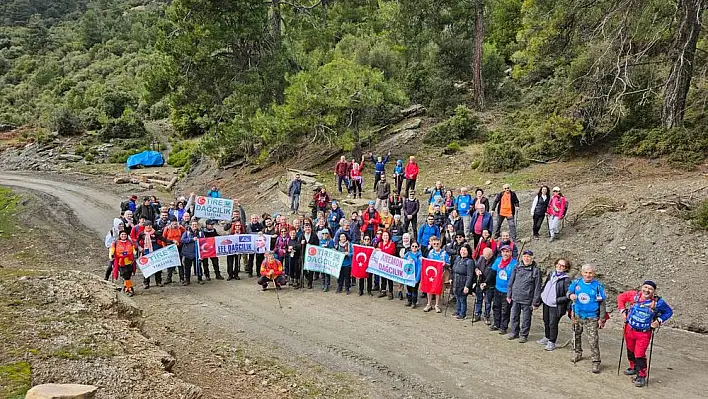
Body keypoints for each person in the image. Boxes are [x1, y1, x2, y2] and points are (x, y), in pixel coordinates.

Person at [617, 280, 673, 387]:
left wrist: (658, 321)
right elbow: (621, 298)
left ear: (654, 291)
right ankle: (633, 367)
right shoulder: (634, 296)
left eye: (650, 289)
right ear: (641, 287)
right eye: (645, 287)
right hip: (629, 329)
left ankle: (641, 376)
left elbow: (669, 312)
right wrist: (623, 311)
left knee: (639, 354)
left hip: (644, 333)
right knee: (630, 350)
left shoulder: (658, 302)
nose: (647, 290)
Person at [568, 263, 607, 374]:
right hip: (577, 314)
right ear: (582, 273)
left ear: (594, 274)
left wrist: (602, 318)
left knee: (593, 340)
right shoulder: (576, 283)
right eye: (586, 272)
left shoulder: (598, 286)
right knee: (576, 335)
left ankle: (596, 361)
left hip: (592, 317)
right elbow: (568, 292)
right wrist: (570, 295)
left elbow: (602, 303)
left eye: (590, 273)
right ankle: (577, 352)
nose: (588, 275)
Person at [506, 249, 542, 343]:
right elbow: (511, 281)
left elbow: (538, 288)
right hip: (515, 297)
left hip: (527, 299)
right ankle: (514, 332)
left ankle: (523, 335)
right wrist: (509, 294)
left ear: (532, 258)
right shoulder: (517, 266)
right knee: (514, 316)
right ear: (522, 257)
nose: (526, 258)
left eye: (528, 256)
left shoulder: (536, 271)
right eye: (525, 256)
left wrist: (535, 302)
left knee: (526, 319)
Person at [538, 258, 572, 351]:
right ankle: (547, 337)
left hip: (556, 306)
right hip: (546, 302)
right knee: (546, 320)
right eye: (558, 264)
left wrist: (556, 300)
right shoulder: (551, 274)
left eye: (563, 266)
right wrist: (542, 295)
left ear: (566, 268)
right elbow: (545, 286)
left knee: (553, 323)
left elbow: (568, 296)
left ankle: (552, 342)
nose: (560, 267)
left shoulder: (566, 280)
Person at [485, 245, 517, 334]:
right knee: (496, 307)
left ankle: (504, 326)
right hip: (497, 289)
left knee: (505, 310)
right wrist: (486, 282)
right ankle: (496, 323)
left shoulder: (515, 263)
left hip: (507, 291)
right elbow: (492, 272)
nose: (505, 254)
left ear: (510, 253)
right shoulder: (498, 260)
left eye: (507, 252)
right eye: (503, 252)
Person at [424, 236, 450, 313]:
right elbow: (428, 262)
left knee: (438, 290)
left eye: (437, 244)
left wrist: (445, 264)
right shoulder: (431, 252)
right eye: (434, 244)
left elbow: (449, 264)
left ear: (440, 244)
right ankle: (429, 304)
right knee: (429, 289)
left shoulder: (444, 253)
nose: (436, 245)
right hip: (431, 274)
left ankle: (437, 305)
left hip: (440, 274)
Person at [137, 222, 166, 289]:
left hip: (155, 252)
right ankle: (146, 283)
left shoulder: (155, 233)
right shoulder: (142, 234)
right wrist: (139, 247)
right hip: (146, 253)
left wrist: (172, 241)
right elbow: (136, 241)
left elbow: (163, 239)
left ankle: (158, 281)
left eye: (150, 225)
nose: (148, 226)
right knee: (147, 268)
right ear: (145, 226)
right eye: (147, 225)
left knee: (157, 267)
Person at [109, 231, 137, 297]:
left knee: (128, 275)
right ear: (120, 235)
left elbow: (133, 249)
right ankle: (130, 289)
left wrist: (134, 254)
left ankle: (125, 287)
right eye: (122, 234)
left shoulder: (130, 242)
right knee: (126, 276)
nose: (124, 236)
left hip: (129, 261)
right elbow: (112, 250)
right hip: (120, 262)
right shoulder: (115, 243)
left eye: (125, 234)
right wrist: (111, 256)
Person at [451, 245, 475, 320]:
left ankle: (463, 313)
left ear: (468, 252)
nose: (463, 252)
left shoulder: (470, 262)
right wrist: (451, 278)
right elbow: (453, 269)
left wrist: (467, 286)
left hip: (463, 282)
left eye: (465, 250)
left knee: (462, 299)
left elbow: (470, 275)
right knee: (457, 297)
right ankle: (458, 311)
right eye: (462, 250)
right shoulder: (458, 258)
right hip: (456, 280)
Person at [473, 247, 495, 324]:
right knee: (478, 299)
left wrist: (486, 283)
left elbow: (492, 274)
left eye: (487, 256)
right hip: (480, 281)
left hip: (489, 284)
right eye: (484, 256)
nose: (485, 258)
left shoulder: (494, 261)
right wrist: (477, 271)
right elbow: (476, 266)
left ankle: (487, 316)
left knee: (488, 301)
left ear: (491, 255)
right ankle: (477, 314)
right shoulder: (481, 258)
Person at [162, 217, 185, 284]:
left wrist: (182, 243)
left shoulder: (181, 228)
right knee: (170, 263)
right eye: (173, 221)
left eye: (175, 221)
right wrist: (164, 248)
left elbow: (185, 234)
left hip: (179, 247)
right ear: (170, 222)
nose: (174, 223)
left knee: (180, 263)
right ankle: (169, 278)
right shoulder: (167, 229)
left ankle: (182, 278)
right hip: (170, 248)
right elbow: (163, 239)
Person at [376, 231, 397, 299]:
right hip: (382, 264)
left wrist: (381, 251)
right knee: (383, 278)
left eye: (386, 235)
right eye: (384, 235)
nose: (385, 237)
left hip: (389, 264)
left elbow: (391, 252)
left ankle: (390, 292)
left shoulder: (392, 244)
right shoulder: (380, 243)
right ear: (382, 237)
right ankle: (383, 290)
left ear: (389, 236)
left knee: (389, 278)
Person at [180, 220, 202, 285]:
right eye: (193, 225)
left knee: (198, 267)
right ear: (190, 225)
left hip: (197, 253)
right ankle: (187, 280)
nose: (194, 226)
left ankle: (200, 279)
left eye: (195, 224)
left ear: (198, 225)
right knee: (187, 268)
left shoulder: (201, 233)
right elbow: (182, 240)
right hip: (188, 254)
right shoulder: (187, 233)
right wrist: (191, 239)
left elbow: (204, 241)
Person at [403, 241, 423, 309]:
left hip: (416, 275)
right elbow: (402, 261)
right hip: (409, 274)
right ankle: (409, 301)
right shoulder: (408, 254)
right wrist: (407, 259)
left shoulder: (420, 256)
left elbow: (420, 267)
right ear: (410, 247)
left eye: (416, 246)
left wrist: (417, 278)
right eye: (413, 246)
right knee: (409, 289)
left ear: (418, 248)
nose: (414, 247)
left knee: (414, 289)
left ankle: (414, 302)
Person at [301, 221, 320, 289]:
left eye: (309, 227)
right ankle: (307, 277)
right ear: (304, 228)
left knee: (311, 268)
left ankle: (310, 283)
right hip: (304, 254)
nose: (307, 229)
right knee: (304, 268)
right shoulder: (302, 235)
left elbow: (317, 245)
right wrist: (301, 243)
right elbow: (297, 245)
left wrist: (312, 246)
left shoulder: (314, 235)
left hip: (312, 255)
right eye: (306, 227)